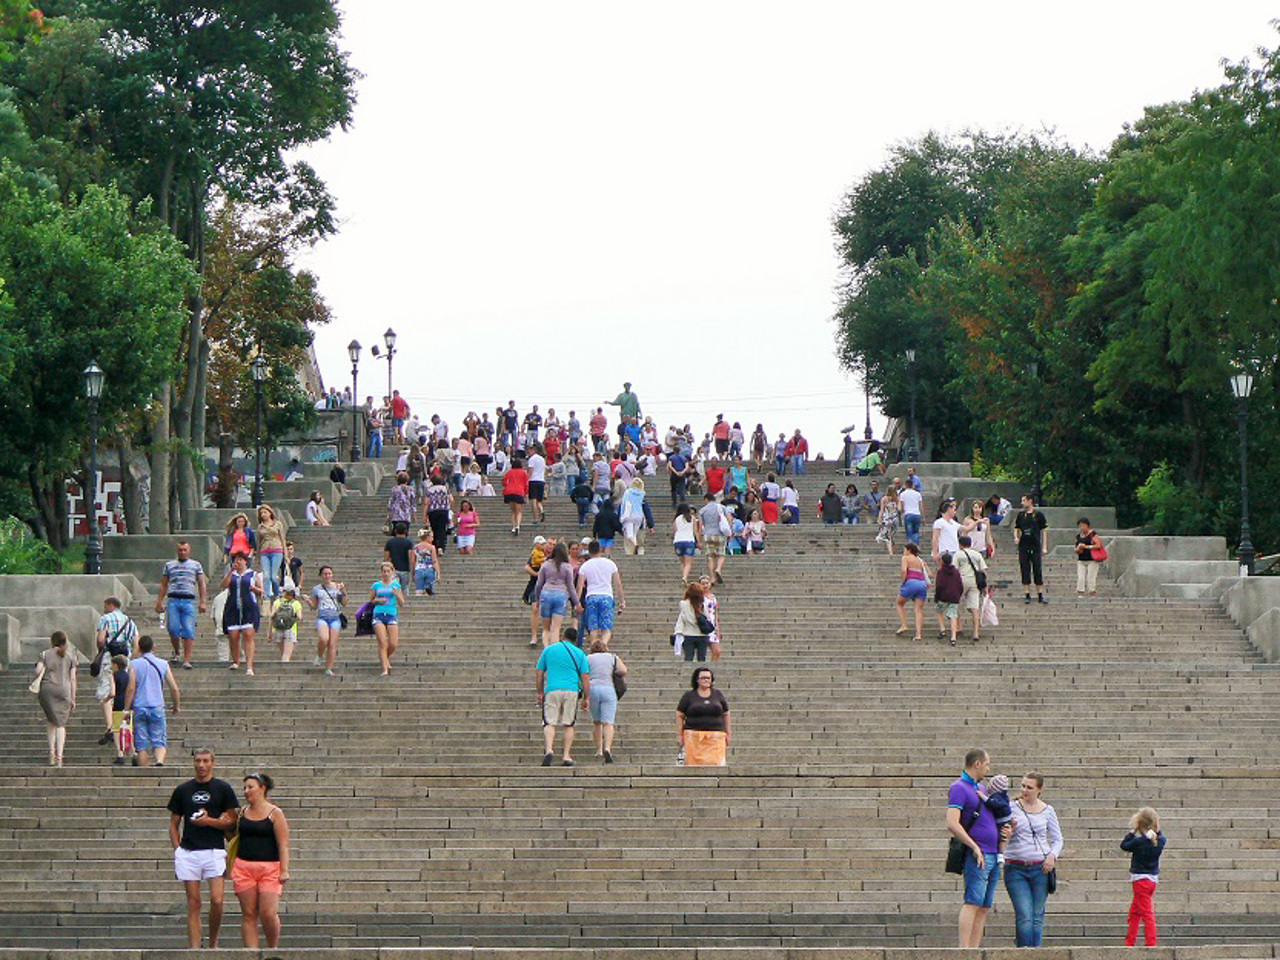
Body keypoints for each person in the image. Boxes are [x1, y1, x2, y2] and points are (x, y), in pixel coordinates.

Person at [168, 749, 238, 949]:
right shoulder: (183, 790)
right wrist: (177, 849)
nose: (201, 765)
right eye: (198, 761)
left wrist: (209, 821)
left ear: (213, 763)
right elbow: (173, 823)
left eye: (206, 761)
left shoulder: (223, 788)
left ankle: (213, 943)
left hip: (214, 850)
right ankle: (195, 949)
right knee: (194, 903)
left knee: (217, 900)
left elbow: (232, 821)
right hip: (189, 851)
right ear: (193, 763)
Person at [947, 748, 1006, 948]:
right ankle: (965, 951)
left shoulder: (980, 788)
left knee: (984, 906)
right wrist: (973, 846)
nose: (989, 768)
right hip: (978, 853)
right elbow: (952, 823)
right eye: (987, 764)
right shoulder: (959, 787)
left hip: (993, 852)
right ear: (977, 764)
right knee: (973, 901)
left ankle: (974, 949)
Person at [231, 772, 290, 949]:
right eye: (245, 788)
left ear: (262, 788)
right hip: (244, 866)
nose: (246, 791)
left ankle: (272, 948)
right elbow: (234, 836)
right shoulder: (242, 812)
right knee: (249, 913)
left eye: (250, 787)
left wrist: (284, 869)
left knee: (268, 913)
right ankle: (251, 953)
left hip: (270, 867)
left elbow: (283, 843)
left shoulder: (275, 813)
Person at [1004, 772, 1063, 948]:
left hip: (1041, 868)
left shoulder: (1047, 810)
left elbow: (1057, 838)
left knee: (1037, 916)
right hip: (1016, 866)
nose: (1025, 790)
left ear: (1040, 789)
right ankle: (1023, 953)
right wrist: (1008, 833)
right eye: (1023, 786)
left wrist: (1052, 856)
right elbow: (1001, 834)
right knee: (1024, 915)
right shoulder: (1011, 807)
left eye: (1029, 787)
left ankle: (1035, 953)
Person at [535, 627, 591, 766]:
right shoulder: (580, 653)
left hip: (552, 689)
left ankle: (549, 750)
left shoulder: (549, 650)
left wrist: (540, 692)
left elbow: (539, 673)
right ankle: (566, 755)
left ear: (563, 636)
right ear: (575, 639)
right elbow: (585, 677)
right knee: (568, 724)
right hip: (571, 690)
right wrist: (586, 697)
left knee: (549, 722)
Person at [124, 635, 181, 766]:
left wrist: (126, 709)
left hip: (140, 706)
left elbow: (131, 688)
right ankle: (159, 761)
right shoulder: (163, 664)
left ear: (139, 648)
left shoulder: (134, 665)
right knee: (159, 739)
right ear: (153, 647)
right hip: (157, 705)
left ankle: (143, 769)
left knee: (141, 743)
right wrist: (176, 705)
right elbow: (174, 688)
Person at [156, 540, 208, 667]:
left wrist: (203, 601)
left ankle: (187, 659)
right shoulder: (169, 565)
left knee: (188, 630)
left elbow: (201, 583)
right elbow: (164, 584)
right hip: (173, 600)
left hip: (189, 600)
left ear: (189, 551)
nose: (183, 552)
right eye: (180, 550)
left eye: (185, 550)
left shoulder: (196, 565)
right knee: (173, 629)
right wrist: (159, 601)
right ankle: (177, 651)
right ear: (177, 551)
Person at [94, 596, 136, 745]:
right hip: (126, 659)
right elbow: (136, 642)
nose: (104, 608)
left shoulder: (105, 618)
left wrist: (100, 651)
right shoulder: (130, 621)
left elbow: (100, 639)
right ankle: (124, 727)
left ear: (111, 605)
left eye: (105, 605)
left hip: (109, 659)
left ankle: (111, 726)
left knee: (106, 691)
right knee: (124, 693)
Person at [31, 631, 77, 767]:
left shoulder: (45, 654)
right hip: (64, 690)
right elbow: (73, 678)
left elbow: (37, 671)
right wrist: (73, 697)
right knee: (61, 724)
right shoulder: (70, 656)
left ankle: (51, 752)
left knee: (51, 720)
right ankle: (60, 756)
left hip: (48, 689)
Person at [1121, 807, 1165, 946]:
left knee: (1147, 913)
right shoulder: (1160, 841)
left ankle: (1151, 943)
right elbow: (1159, 835)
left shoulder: (1138, 842)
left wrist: (1133, 831)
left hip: (1140, 880)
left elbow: (1124, 845)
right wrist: (1155, 829)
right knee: (1135, 912)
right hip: (1152, 880)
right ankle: (1130, 941)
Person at [676, 667, 730, 766]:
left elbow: (726, 713)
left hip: (715, 738)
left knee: (715, 765)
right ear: (697, 680)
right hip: (693, 738)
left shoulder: (718, 695)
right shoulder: (689, 696)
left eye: (708, 678)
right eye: (703, 678)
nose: (706, 680)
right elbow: (680, 715)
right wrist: (679, 735)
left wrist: (728, 732)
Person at [576, 540, 625, 647]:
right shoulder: (610, 564)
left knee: (593, 628)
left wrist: (577, 603)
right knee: (606, 628)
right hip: (606, 596)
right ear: (601, 550)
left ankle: (594, 648)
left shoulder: (585, 566)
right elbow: (618, 584)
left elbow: (579, 586)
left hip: (591, 596)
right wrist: (622, 601)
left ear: (589, 551)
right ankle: (603, 646)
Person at [221, 551, 263, 675]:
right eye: (235, 560)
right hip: (233, 607)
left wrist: (256, 589)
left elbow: (261, 590)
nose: (238, 562)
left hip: (248, 607)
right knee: (233, 636)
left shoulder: (252, 574)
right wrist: (230, 571)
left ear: (245, 561)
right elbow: (224, 585)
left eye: (240, 559)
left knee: (248, 635)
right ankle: (236, 661)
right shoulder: (232, 575)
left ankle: (249, 666)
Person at [587, 638, 626, 762]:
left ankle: (598, 750)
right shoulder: (613, 657)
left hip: (593, 689)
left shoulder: (588, 658)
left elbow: (583, 673)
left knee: (597, 722)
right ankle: (607, 748)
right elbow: (623, 670)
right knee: (608, 723)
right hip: (608, 689)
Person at [534, 541, 578, 648]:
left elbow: (538, 584)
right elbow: (571, 587)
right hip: (561, 595)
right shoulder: (567, 567)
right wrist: (577, 602)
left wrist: (537, 599)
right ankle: (554, 650)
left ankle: (546, 649)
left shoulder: (546, 565)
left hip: (546, 594)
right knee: (556, 628)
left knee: (546, 628)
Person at [369, 561, 406, 676]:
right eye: (384, 571)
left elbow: (402, 603)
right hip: (378, 614)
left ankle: (385, 657)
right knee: (382, 642)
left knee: (393, 643)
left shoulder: (396, 585)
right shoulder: (376, 585)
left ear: (392, 572)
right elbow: (370, 601)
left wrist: (397, 594)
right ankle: (385, 669)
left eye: (388, 571)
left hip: (391, 614)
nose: (386, 574)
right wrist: (377, 600)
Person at [307, 566, 346, 676]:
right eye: (325, 574)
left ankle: (329, 668)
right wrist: (308, 601)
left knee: (332, 644)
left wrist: (343, 592)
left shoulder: (337, 587)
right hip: (322, 617)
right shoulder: (317, 589)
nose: (327, 576)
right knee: (324, 639)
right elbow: (314, 606)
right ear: (321, 575)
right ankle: (319, 655)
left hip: (335, 617)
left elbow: (344, 603)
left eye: (329, 573)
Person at [1014, 494, 1049, 604]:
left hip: (1035, 546)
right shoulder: (1021, 515)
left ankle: (1040, 594)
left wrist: (1044, 546)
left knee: (1037, 569)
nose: (1022, 503)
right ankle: (1027, 593)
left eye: (1024, 501)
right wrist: (1016, 537)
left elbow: (1044, 530)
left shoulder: (1038, 515)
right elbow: (1017, 528)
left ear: (1030, 501)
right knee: (1025, 569)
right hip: (1024, 546)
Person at [956, 535, 989, 643]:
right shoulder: (977, 554)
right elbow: (984, 570)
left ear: (960, 544)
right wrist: (984, 586)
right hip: (975, 582)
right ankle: (976, 632)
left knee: (955, 603)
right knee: (975, 608)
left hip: (962, 580)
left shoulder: (958, 554)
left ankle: (958, 626)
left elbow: (954, 569)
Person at [895, 543, 929, 641]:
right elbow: (929, 573)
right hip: (922, 584)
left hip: (911, 582)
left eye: (905, 549)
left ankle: (904, 625)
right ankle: (918, 634)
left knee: (899, 603)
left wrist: (903, 581)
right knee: (918, 609)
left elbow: (904, 570)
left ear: (909, 550)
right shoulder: (920, 560)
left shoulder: (905, 558)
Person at [255, 505, 287, 603]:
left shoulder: (277, 524)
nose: (263, 515)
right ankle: (267, 596)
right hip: (265, 551)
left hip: (276, 549)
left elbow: (282, 538)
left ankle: (277, 594)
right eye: (261, 513)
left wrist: (285, 554)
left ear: (270, 513)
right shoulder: (260, 526)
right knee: (266, 576)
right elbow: (259, 542)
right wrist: (257, 557)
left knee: (273, 576)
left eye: (265, 512)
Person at [674, 582, 713, 662]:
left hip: (688, 634)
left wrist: (678, 632)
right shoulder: (703, 604)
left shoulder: (683, 604)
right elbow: (707, 617)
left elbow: (682, 618)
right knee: (702, 659)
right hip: (702, 634)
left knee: (688, 658)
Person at [268, 579, 302, 663]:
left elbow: (272, 616)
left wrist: (269, 633)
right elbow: (300, 617)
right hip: (290, 629)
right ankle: (284, 672)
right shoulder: (296, 603)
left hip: (277, 629)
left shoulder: (277, 602)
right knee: (286, 655)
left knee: (283, 652)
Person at [698, 492, 729, 583]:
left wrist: (699, 540)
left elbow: (700, 526)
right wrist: (729, 531)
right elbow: (729, 518)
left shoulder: (702, 510)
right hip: (719, 533)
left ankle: (712, 577)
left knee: (710, 557)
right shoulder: (722, 508)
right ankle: (718, 569)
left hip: (708, 534)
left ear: (706, 500)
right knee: (721, 555)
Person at [935, 551, 964, 645]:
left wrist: (937, 597)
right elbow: (960, 584)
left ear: (942, 561)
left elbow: (939, 585)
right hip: (954, 596)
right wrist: (959, 594)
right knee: (953, 616)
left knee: (939, 610)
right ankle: (953, 637)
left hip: (943, 596)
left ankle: (942, 628)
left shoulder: (941, 572)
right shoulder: (956, 572)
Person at [108, 654, 132, 764]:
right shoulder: (129, 675)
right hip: (128, 704)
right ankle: (133, 752)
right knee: (128, 728)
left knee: (117, 729)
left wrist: (107, 698)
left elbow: (113, 692)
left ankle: (120, 754)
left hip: (118, 704)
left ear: (116, 665)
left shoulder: (114, 675)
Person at [424, 471, 454, 553]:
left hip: (433, 511)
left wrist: (425, 515)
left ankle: (434, 546)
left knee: (434, 529)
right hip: (444, 510)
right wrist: (449, 507)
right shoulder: (445, 489)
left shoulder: (429, 490)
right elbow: (451, 500)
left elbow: (426, 502)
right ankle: (441, 547)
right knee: (442, 528)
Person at [1075, 517, 1105, 599]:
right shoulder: (1078, 536)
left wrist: (1086, 547)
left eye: (1084, 525)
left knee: (1091, 577)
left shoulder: (1093, 534)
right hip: (1081, 559)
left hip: (1092, 559)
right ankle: (1081, 592)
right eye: (1080, 526)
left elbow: (1098, 545)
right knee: (1081, 577)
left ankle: (1092, 592)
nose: (1082, 527)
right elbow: (1076, 549)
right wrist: (1078, 548)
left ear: (1088, 526)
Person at [672, 503, 698, 585]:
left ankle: (684, 576)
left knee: (682, 562)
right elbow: (695, 531)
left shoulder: (676, 519)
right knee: (688, 562)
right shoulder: (692, 518)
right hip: (689, 541)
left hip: (678, 541)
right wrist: (698, 541)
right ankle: (685, 577)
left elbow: (674, 531)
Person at [384, 521, 416, 586]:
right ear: (405, 531)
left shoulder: (390, 542)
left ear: (395, 531)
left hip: (393, 570)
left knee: (393, 589)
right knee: (404, 590)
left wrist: (385, 570)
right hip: (405, 570)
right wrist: (413, 572)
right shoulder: (409, 542)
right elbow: (411, 559)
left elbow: (386, 559)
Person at [503, 457, 529, 535]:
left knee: (513, 511)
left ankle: (513, 527)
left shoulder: (509, 472)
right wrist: (526, 494)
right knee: (519, 511)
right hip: (519, 492)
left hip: (509, 492)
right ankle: (518, 525)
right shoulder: (524, 473)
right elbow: (526, 484)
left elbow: (504, 482)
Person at [931, 498, 962, 564]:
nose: (955, 512)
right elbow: (935, 538)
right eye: (954, 509)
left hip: (955, 550)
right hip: (945, 551)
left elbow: (964, 528)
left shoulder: (953, 522)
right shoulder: (939, 522)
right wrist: (935, 552)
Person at [526, 443, 547, 524]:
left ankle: (535, 518)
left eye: (529, 450)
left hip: (533, 480)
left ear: (534, 450)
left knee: (534, 500)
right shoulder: (542, 459)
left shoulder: (531, 459)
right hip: (541, 480)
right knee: (539, 500)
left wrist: (527, 480)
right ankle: (541, 511)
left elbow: (530, 470)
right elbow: (544, 471)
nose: (528, 451)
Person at [876, 488, 900, 555]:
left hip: (887, 519)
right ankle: (892, 550)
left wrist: (879, 519)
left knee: (888, 536)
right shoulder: (897, 499)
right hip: (894, 519)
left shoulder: (884, 499)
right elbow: (900, 509)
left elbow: (882, 510)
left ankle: (891, 552)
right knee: (890, 536)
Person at [899, 482, 924, 547]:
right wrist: (923, 517)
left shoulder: (903, 494)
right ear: (912, 485)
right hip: (917, 514)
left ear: (905, 485)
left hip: (908, 514)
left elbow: (901, 506)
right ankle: (916, 546)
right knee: (916, 532)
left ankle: (910, 547)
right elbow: (921, 506)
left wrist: (901, 514)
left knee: (909, 533)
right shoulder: (918, 494)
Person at [667, 445, 691, 510]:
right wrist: (682, 472)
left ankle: (674, 503)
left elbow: (670, 465)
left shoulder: (671, 457)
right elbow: (687, 466)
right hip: (682, 474)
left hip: (674, 474)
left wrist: (675, 472)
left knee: (673, 489)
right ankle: (683, 502)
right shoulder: (683, 458)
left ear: (674, 451)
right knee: (682, 488)